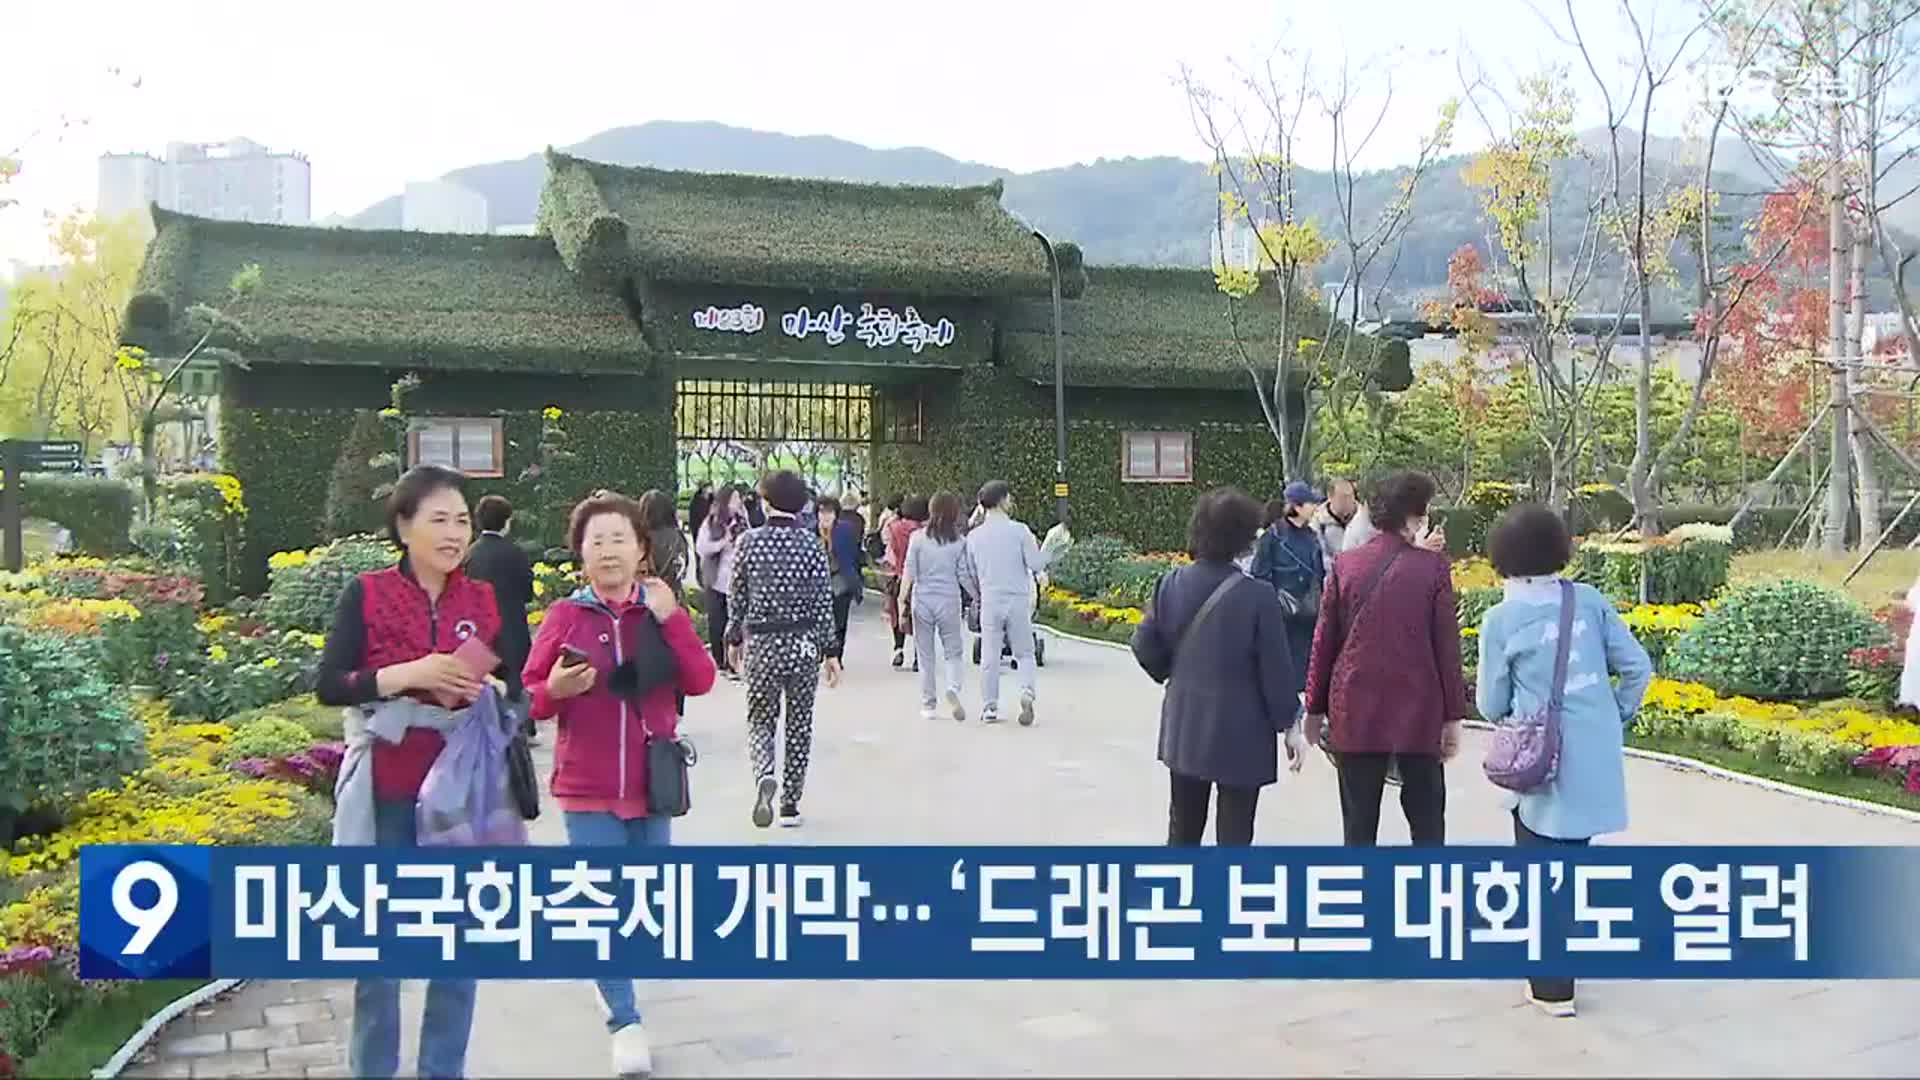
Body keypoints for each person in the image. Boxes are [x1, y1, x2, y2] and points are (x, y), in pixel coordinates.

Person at [315, 465, 502, 1080]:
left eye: (463, 521)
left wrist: (491, 691)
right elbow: (329, 685)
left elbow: (520, 688)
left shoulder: (482, 599)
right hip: (389, 794)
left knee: (459, 954)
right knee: (380, 958)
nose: (454, 534)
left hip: (460, 798)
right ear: (403, 526)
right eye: (439, 520)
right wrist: (409, 674)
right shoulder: (365, 593)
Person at [521, 491, 717, 1076]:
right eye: (596, 541)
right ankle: (624, 1019)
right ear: (580, 552)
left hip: (654, 783)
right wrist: (555, 690)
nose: (607, 551)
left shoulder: (658, 610)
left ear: (640, 549)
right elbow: (529, 701)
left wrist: (671, 618)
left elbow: (702, 680)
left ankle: (609, 974)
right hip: (586, 786)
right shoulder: (565, 617)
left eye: (618, 540)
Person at [1476, 504, 1652, 1018]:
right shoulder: (1588, 600)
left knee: (1541, 867)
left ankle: (1554, 987)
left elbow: (1489, 703)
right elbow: (1636, 667)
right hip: (1593, 751)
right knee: (1571, 859)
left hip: (1541, 758)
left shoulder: (1501, 618)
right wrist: (1610, 715)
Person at [1132, 488, 1306, 846]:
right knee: (1236, 834)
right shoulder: (1258, 596)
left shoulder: (1171, 583)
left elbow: (1144, 644)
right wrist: (1290, 725)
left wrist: (1174, 673)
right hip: (1244, 733)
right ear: (1243, 538)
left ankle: (1181, 896)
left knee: (1182, 828)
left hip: (1186, 724)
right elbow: (1276, 670)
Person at [1303, 470, 1467, 847]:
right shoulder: (1433, 568)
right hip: (1418, 711)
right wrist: (1453, 717)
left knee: (1358, 822)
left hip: (1355, 708)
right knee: (1427, 818)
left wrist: (1313, 709)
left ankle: (1362, 896)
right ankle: (1429, 893)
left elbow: (1324, 643)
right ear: (1413, 517)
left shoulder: (1346, 565)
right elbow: (1447, 648)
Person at [726, 470, 841, 828]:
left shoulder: (749, 541)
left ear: (765, 501)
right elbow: (824, 601)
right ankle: (791, 804)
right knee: (799, 723)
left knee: (761, 718)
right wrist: (830, 650)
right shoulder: (811, 545)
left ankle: (764, 773)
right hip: (803, 644)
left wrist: (733, 636)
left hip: (762, 643)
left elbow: (737, 594)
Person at [965, 480, 1047, 726]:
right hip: (1018, 599)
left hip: (990, 599)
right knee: (1024, 652)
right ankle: (1026, 692)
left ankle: (990, 707)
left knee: (990, 654)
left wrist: (978, 594)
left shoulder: (974, 537)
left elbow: (970, 572)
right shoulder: (1020, 531)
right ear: (1002, 501)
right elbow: (1035, 564)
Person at [464, 494, 535, 739]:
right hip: (512, 622)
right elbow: (528, 592)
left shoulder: (469, 554)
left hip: (479, 626)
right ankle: (519, 725)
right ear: (507, 521)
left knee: (483, 677)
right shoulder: (515, 553)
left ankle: (485, 722)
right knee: (515, 676)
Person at [903, 491, 978, 723]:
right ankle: (953, 687)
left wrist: (900, 598)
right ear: (954, 513)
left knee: (925, 656)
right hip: (948, 600)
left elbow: (909, 572)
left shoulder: (917, 538)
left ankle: (928, 705)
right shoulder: (960, 542)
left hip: (922, 600)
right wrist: (977, 596)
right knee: (953, 651)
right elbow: (964, 575)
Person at [1249, 483, 1325, 710]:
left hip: (1309, 614)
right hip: (1282, 618)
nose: (1315, 508)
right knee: (1284, 672)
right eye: (1311, 503)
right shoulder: (1272, 536)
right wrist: (1276, 601)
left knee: (1307, 673)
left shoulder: (1312, 536)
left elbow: (1319, 573)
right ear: (1298, 506)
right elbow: (1259, 575)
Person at [695, 484, 747, 680]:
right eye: (734, 498)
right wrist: (722, 542)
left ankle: (734, 661)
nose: (738, 502)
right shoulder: (712, 522)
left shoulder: (743, 520)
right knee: (717, 621)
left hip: (737, 579)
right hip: (716, 579)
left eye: (738, 498)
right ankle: (721, 662)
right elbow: (702, 548)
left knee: (735, 622)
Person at [817, 495, 866, 661]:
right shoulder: (811, 531)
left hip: (840, 580)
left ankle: (837, 655)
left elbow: (853, 556)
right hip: (817, 583)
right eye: (822, 512)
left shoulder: (845, 530)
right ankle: (820, 651)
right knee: (818, 619)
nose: (825, 516)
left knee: (840, 620)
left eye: (829, 512)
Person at [883, 496, 928, 670]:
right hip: (921, 578)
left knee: (898, 615)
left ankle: (898, 649)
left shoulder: (894, 528)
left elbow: (890, 555)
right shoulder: (925, 532)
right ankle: (918, 656)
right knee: (919, 619)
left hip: (900, 575)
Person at [638, 489, 688, 604]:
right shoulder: (677, 537)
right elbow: (683, 569)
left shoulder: (639, 539)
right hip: (673, 599)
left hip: (646, 600)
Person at [1312, 478, 1362, 569]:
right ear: (1330, 497)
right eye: (1343, 497)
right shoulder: (1318, 521)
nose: (1349, 501)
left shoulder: (1365, 517)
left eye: (1351, 495)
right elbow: (1321, 556)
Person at [687, 482, 715, 585]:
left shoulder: (713, 501)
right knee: (700, 556)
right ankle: (701, 578)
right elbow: (694, 519)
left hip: (711, 534)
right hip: (699, 533)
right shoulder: (696, 502)